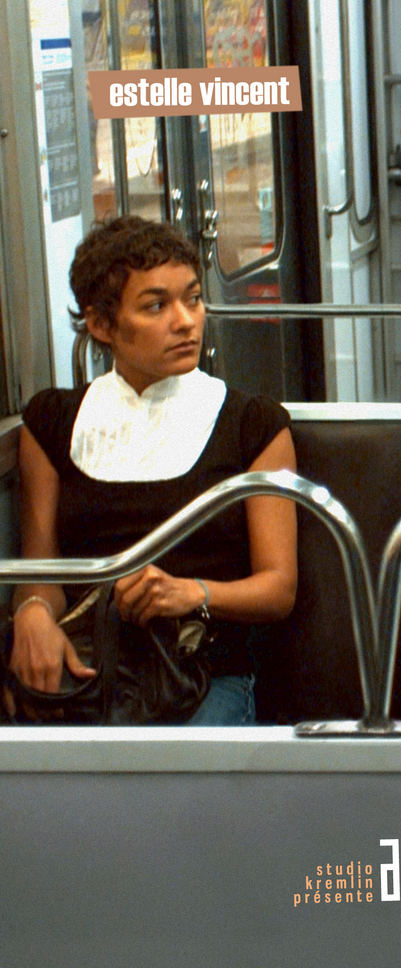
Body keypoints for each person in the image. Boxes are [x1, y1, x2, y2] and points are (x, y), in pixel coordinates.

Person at [8, 215, 297, 724]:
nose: (186, 321)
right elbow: (43, 572)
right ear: (102, 325)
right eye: (157, 306)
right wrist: (32, 612)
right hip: (91, 664)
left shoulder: (252, 424)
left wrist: (190, 592)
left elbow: (278, 588)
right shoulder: (52, 423)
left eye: (194, 299)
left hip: (202, 671)